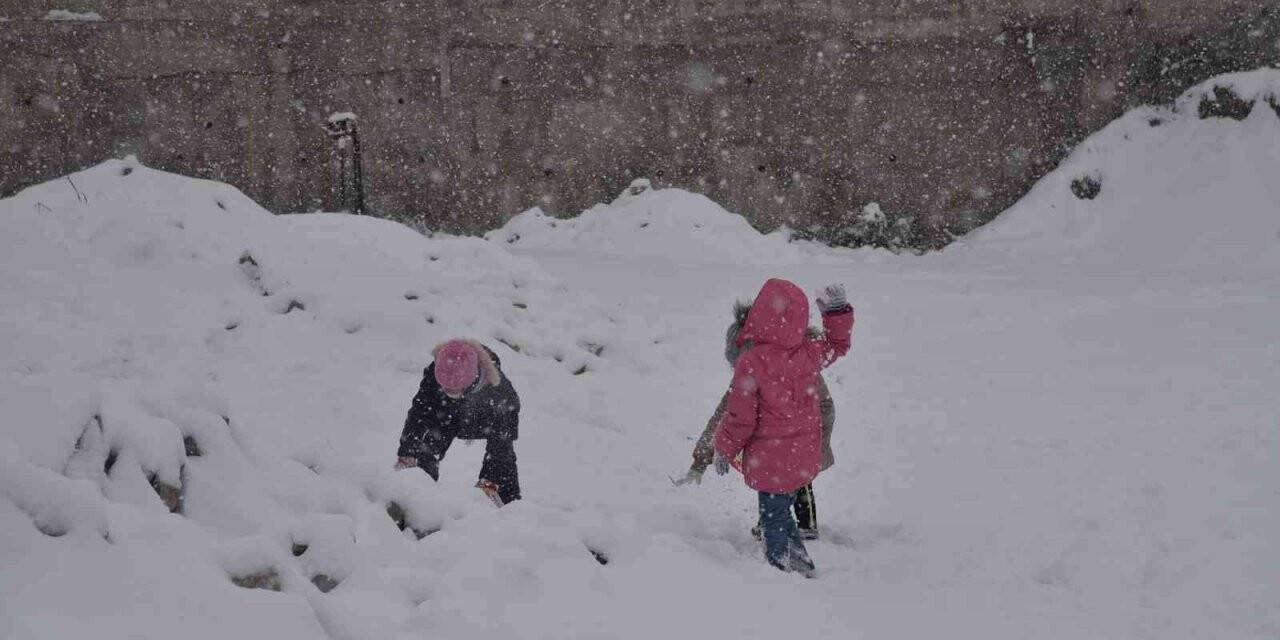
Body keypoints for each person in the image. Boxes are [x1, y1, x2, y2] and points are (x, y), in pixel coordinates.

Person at [713, 279, 853, 575]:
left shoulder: (751, 362)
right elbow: (837, 346)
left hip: (771, 459)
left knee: (773, 519)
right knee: (782, 513)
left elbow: (740, 419)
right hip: (801, 457)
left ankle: (785, 572)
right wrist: (836, 311)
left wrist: (723, 449)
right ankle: (799, 563)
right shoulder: (807, 353)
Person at [674, 301, 837, 542]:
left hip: (810, 426)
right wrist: (701, 460)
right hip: (782, 434)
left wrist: (808, 441)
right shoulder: (751, 378)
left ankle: (803, 522)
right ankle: (773, 521)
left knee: (793, 469)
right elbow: (726, 415)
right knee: (774, 466)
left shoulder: (796, 368)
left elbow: (823, 406)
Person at [395, 339, 522, 506]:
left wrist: (487, 486)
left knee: (504, 458)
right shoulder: (438, 370)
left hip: (483, 421)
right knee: (425, 450)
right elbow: (419, 411)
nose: (449, 393)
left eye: (455, 391)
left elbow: (499, 446)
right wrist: (407, 453)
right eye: (445, 388)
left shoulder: (502, 396)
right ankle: (418, 494)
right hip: (447, 415)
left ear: (472, 380)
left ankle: (508, 504)